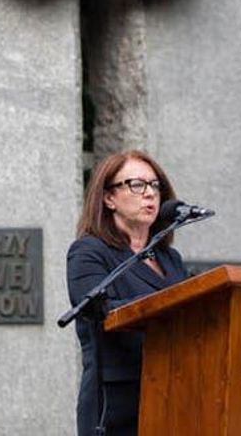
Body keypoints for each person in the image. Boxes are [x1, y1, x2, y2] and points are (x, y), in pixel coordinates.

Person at [66, 150, 190, 436]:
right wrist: (171, 306)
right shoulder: (89, 252)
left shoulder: (170, 259)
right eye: (137, 185)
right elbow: (100, 310)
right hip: (117, 403)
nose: (150, 194)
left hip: (176, 393)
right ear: (109, 198)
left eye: (155, 185)